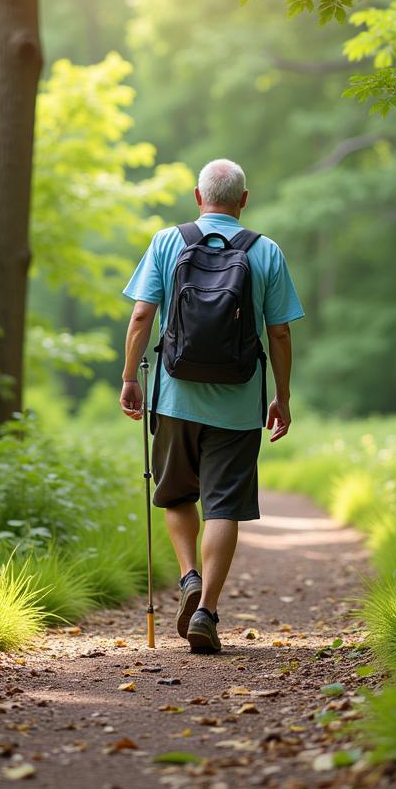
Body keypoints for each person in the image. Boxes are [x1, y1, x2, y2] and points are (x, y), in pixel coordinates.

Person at [119, 158, 304, 654]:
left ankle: (188, 578)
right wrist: (281, 397)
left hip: (175, 397)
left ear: (198, 197)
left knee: (176, 493)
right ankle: (206, 612)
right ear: (244, 199)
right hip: (240, 403)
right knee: (223, 505)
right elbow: (280, 331)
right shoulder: (265, 251)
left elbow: (141, 315)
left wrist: (129, 378)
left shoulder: (166, 242)